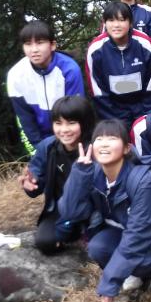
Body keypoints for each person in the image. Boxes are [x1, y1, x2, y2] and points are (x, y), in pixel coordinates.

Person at [56, 119, 151, 302]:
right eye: (99, 139)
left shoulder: (141, 179)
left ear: (126, 148)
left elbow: (139, 234)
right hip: (122, 229)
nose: (104, 144)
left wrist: (110, 283)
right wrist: (79, 173)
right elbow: (71, 213)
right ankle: (133, 272)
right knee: (97, 248)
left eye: (112, 138)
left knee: (144, 261)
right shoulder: (92, 173)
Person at [19, 95, 95, 254]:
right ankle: (73, 232)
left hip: (92, 210)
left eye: (71, 123)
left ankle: (85, 231)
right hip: (60, 209)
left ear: (85, 122)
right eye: (58, 123)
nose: (64, 130)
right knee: (45, 242)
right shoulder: (48, 147)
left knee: (99, 246)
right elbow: (35, 182)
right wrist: (30, 184)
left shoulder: (96, 147)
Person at [7, 20, 85, 154]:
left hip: (69, 134)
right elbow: (24, 119)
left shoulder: (69, 69)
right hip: (38, 138)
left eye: (40, 43)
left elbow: (76, 115)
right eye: (28, 44)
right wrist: (39, 151)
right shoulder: (16, 75)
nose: (34, 50)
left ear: (52, 45)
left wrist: (69, 149)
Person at [86, 2, 151, 126]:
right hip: (111, 111)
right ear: (105, 23)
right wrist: (113, 117)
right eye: (111, 20)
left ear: (130, 22)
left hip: (143, 108)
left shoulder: (146, 44)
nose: (116, 25)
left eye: (121, 20)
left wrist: (146, 115)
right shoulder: (96, 49)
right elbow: (97, 90)